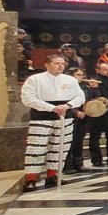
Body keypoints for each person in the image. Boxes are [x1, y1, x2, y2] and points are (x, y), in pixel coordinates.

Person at [21, 53, 85, 191]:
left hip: (64, 116)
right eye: (57, 63)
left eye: (62, 64)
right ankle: (31, 178)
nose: (60, 66)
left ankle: (53, 175)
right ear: (47, 65)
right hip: (42, 116)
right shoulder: (35, 79)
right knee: (36, 148)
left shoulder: (70, 80)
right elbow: (28, 98)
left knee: (60, 147)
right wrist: (52, 108)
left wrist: (68, 105)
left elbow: (80, 96)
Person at [64, 68, 93, 175]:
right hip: (71, 116)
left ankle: (79, 164)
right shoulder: (66, 86)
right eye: (78, 74)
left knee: (79, 142)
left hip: (84, 116)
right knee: (70, 142)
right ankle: (68, 165)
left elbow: (89, 100)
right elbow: (65, 101)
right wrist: (75, 112)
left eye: (82, 74)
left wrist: (94, 89)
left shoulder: (85, 86)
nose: (81, 76)